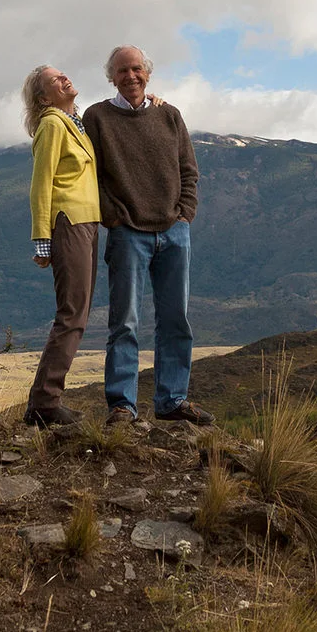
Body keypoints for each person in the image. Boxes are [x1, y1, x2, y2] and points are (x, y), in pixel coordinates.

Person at [83, 45, 214, 426]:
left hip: (174, 232)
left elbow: (188, 170)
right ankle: (122, 405)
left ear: (148, 73)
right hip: (127, 234)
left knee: (176, 320)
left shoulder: (169, 115)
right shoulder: (97, 117)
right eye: (122, 70)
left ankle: (172, 400)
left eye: (136, 69)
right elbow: (91, 175)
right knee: (124, 322)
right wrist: (114, 217)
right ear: (111, 77)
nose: (131, 76)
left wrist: (184, 215)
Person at [20, 65, 100, 427]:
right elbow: (41, 184)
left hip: (87, 222)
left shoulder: (74, 124)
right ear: (43, 97)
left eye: (64, 74)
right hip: (69, 222)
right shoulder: (52, 124)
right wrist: (42, 239)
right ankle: (45, 402)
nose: (65, 79)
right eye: (56, 80)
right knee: (72, 313)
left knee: (76, 312)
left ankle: (45, 401)